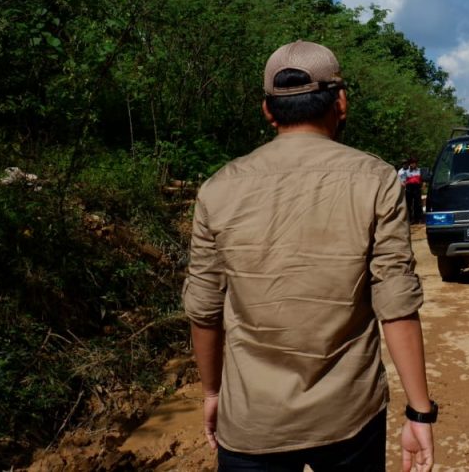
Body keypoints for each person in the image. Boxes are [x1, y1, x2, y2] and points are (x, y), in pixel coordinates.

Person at [183, 41, 435, 472]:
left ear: (268, 110)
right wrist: (418, 412)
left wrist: (212, 394)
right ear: (340, 101)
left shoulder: (218, 188)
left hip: (251, 422)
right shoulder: (375, 180)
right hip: (349, 418)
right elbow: (394, 303)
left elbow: (204, 310)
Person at [398, 157, 424, 225]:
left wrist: (422, 186)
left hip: (417, 188)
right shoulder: (405, 171)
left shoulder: (419, 170)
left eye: (415, 163)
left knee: (418, 204)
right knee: (408, 204)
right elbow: (403, 181)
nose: (413, 165)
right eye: (412, 163)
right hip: (409, 189)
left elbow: (422, 180)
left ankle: (419, 218)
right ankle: (410, 219)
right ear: (410, 164)